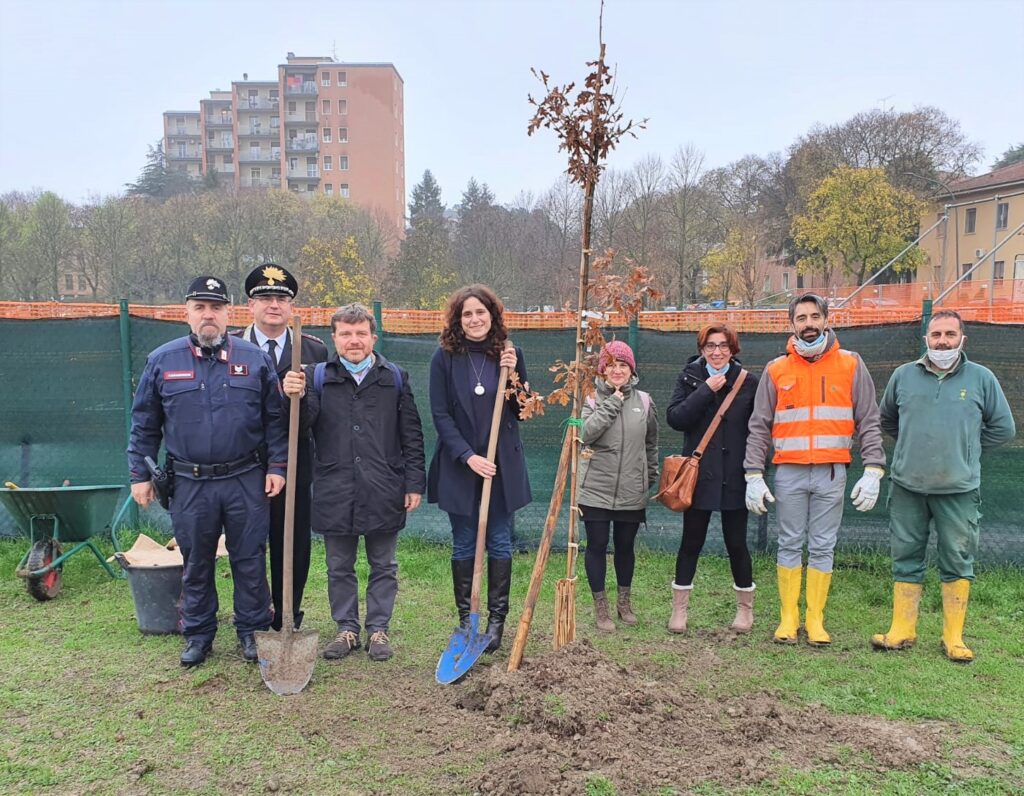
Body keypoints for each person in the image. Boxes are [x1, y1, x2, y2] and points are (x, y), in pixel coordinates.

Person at [127, 276, 286, 667]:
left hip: (245, 479)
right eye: (200, 307)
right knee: (196, 561)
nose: (208, 315)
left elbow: (275, 420)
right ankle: (198, 635)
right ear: (187, 314)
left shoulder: (253, 358)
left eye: (215, 307)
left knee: (249, 558)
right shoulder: (163, 361)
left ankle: (252, 632)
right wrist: (139, 474)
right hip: (189, 483)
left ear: (228, 313)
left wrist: (278, 466)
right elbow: (144, 423)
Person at [282, 303, 425, 662]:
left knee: (384, 565)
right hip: (335, 487)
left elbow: (412, 434)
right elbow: (301, 426)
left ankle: (378, 629)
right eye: (346, 334)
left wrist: (413, 483)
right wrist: (292, 396)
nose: (354, 340)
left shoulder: (394, 377)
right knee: (339, 566)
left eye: (361, 333)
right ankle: (346, 628)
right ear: (335, 338)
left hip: (383, 486)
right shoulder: (315, 376)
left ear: (373, 337)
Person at [872, 309, 1014, 661]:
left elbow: (1004, 428)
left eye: (950, 335)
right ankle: (902, 630)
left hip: (959, 489)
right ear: (926, 339)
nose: (943, 341)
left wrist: (965, 448)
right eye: (936, 335)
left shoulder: (982, 378)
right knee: (906, 557)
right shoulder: (903, 376)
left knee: (958, 560)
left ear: (962, 339)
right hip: (907, 486)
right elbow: (887, 418)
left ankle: (954, 637)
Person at [744, 293, 886, 646]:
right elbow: (759, 425)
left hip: (832, 472)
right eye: (801, 318)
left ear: (826, 319)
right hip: (789, 472)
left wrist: (874, 468)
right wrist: (752, 473)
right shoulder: (777, 369)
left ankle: (815, 619)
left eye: (814, 317)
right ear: (791, 324)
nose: (808, 324)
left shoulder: (851, 364)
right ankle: (788, 618)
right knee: (789, 543)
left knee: (823, 546)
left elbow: (868, 419)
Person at [427, 285, 531, 653]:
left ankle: (496, 621)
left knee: (500, 539)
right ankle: (465, 619)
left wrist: (515, 375)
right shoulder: (444, 357)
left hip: (501, 466)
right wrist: (468, 456)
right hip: (461, 465)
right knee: (466, 541)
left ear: (492, 315)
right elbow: (440, 415)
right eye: (466, 314)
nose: (474, 319)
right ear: (458, 319)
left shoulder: (509, 353)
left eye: (480, 313)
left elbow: (524, 409)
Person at [232, 263, 328, 632]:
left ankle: (289, 613)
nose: (274, 305)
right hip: (245, 463)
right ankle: (255, 614)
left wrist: (300, 397)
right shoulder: (233, 347)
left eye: (281, 299)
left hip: (296, 463)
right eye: (265, 298)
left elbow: (319, 412)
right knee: (249, 543)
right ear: (250, 305)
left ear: (291, 307)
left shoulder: (313, 350)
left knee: (294, 543)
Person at [665, 324, 758, 634]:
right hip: (699, 477)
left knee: (737, 544)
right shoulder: (690, 377)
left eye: (723, 346)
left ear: (733, 349)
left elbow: (759, 429)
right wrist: (706, 390)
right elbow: (675, 419)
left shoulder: (748, 383)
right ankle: (679, 611)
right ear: (701, 348)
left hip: (735, 476)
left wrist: (756, 472)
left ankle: (745, 611)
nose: (717, 352)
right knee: (691, 541)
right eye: (710, 346)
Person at [577, 340, 659, 631]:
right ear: (602, 370)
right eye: (611, 365)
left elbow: (651, 445)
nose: (617, 370)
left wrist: (647, 478)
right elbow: (585, 434)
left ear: (631, 369)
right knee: (597, 545)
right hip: (594, 489)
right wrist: (612, 402)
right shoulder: (588, 399)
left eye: (623, 364)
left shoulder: (645, 402)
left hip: (631, 491)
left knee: (626, 547)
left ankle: (624, 603)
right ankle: (601, 608)